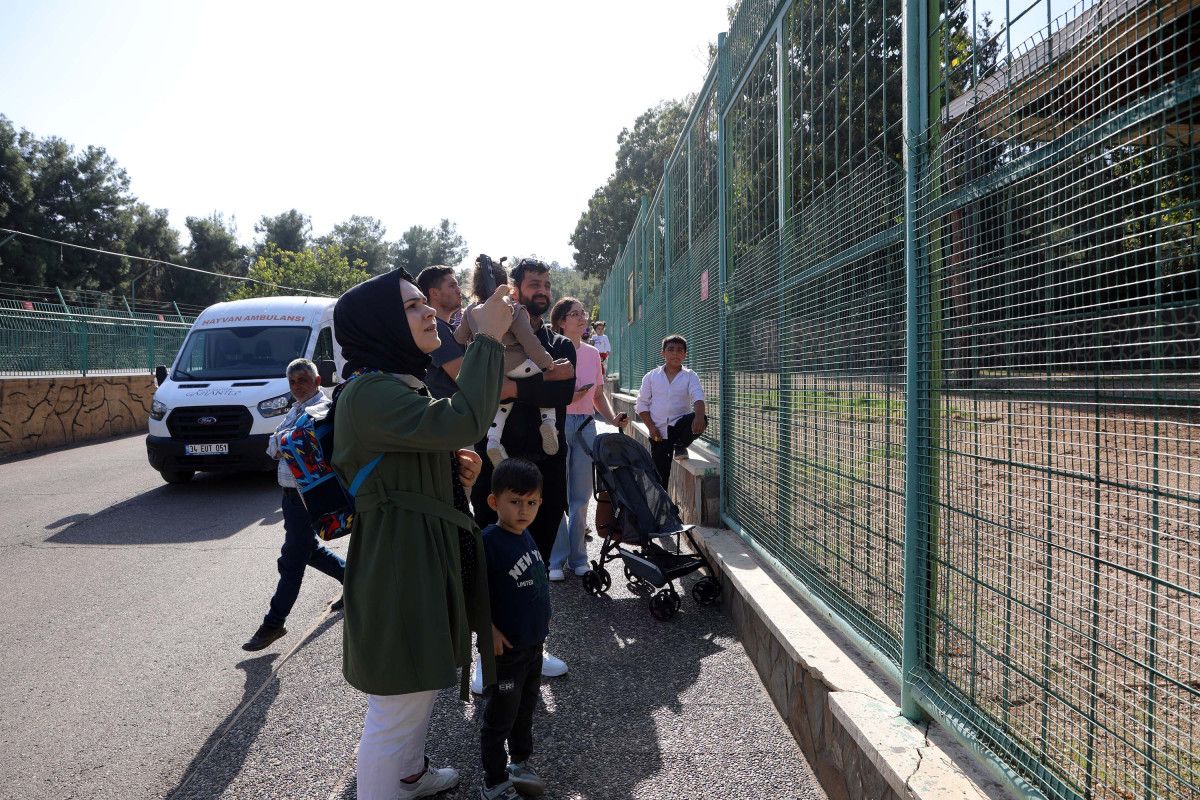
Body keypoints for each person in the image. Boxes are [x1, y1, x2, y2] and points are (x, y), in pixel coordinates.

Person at [331, 268, 514, 800]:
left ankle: (409, 775)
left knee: (420, 677)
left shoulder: (395, 385)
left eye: (422, 302)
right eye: (412, 306)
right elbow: (464, 419)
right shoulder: (369, 393)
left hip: (417, 548)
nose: (429, 310)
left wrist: (454, 473)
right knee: (396, 704)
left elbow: (424, 449)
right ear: (381, 324)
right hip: (399, 560)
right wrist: (485, 338)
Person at [469, 257, 576, 688]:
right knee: (491, 565)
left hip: (545, 470)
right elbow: (477, 386)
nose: (542, 290)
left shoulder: (560, 343)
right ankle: (487, 655)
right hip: (494, 469)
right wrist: (537, 386)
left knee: (538, 563)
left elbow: (564, 390)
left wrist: (511, 388)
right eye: (534, 283)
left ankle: (535, 646)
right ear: (515, 289)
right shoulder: (490, 337)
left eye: (546, 284)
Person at [242, 358, 345, 652]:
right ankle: (351, 579)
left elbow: (287, 443)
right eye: (292, 382)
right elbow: (274, 446)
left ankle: (274, 623)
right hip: (290, 496)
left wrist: (280, 442)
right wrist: (280, 442)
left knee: (292, 560)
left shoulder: (321, 409)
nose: (297, 387)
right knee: (308, 550)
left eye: (303, 380)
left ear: (317, 380)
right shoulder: (297, 409)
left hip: (307, 496)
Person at [477, 459, 553, 800]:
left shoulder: (525, 534)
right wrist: (487, 628)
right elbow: (471, 592)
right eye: (515, 501)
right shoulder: (488, 542)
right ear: (494, 501)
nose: (524, 510)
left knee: (525, 709)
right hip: (505, 652)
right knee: (500, 717)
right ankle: (494, 782)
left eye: (531, 502)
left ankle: (520, 763)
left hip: (532, 646)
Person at [546, 298, 627, 581]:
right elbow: (542, 391)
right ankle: (556, 560)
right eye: (574, 314)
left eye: (583, 313)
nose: (582, 318)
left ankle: (579, 558)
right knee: (556, 494)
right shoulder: (549, 350)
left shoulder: (593, 354)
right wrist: (568, 397)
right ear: (561, 321)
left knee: (581, 496)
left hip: (586, 426)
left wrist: (612, 418)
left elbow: (598, 394)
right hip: (555, 424)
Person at [455, 256, 557, 465]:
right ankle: (548, 422)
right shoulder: (512, 308)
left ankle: (493, 441)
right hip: (519, 365)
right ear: (507, 284)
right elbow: (529, 341)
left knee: (502, 406)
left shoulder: (471, 311)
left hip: (491, 371)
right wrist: (546, 362)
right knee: (546, 386)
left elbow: (459, 337)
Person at [635, 334, 708, 488]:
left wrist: (700, 416)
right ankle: (661, 504)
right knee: (660, 479)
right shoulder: (651, 377)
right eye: (671, 349)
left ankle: (679, 445)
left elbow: (698, 397)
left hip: (678, 429)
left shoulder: (690, 376)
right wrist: (651, 427)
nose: (675, 353)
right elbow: (641, 404)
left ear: (685, 354)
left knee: (702, 417)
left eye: (680, 350)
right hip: (658, 434)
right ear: (663, 353)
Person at [415, 264, 466, 400]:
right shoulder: (436, 328)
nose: (459, 290)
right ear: (434, 293)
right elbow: (469, 380)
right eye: (452, 286)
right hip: (452, 411)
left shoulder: (443, 327)